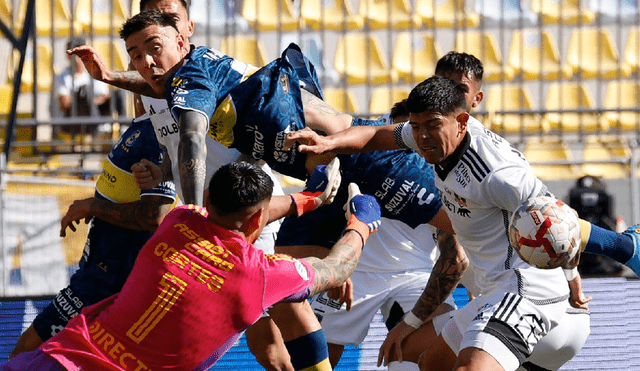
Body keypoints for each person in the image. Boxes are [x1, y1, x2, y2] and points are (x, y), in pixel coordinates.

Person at [286, 76, 598, 371]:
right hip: (491, 290)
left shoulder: (498, 176)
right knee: (431, 362)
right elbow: (372, 134)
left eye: (431, 126)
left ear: (461, 121)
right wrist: (330, 144)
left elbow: (559, 225)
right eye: (416, 127)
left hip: (522, 290)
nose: (420, 137)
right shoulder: (430, 138)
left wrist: (574, 282)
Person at [0, 160, 380, 371]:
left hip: (56, 359)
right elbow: (335, 267)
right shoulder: (261, 274)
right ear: (256, 222)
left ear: (209, 195)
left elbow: (245, 216)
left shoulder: (178, 221)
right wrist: (361, 224)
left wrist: (306, 200)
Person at [8, 115, 176, 359]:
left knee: (26, 352)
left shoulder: (157, 132)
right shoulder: (142, 124)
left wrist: (91, 206)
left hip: (109, 282)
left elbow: (154, 216)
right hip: (98, 273)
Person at [55, 36, 112, 146]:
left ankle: (124, 129)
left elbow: (104, 96)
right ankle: (96, 127)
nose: (76, 59)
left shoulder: (94, 73)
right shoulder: (61, 77)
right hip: (73, 120)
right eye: (73, 55)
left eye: (79, 55)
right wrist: (84, 97)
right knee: (83, 92)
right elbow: (65, 103)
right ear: (68, 56)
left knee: (117, 94)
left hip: (94, 113)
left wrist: (91, 101)